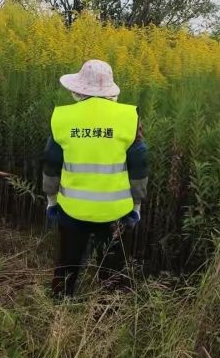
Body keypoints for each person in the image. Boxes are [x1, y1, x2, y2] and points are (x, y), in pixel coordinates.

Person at [43, 59, 148, 296]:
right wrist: (137, 204)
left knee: (67, 264)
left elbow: (51, 162)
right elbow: (139, 165)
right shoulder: (127, 117)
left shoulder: (63, 118)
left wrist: (51, 199)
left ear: (79, 89)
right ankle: (107, 316)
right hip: (115, 212)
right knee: (111, 271)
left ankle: (60, 307)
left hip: (72, 210)